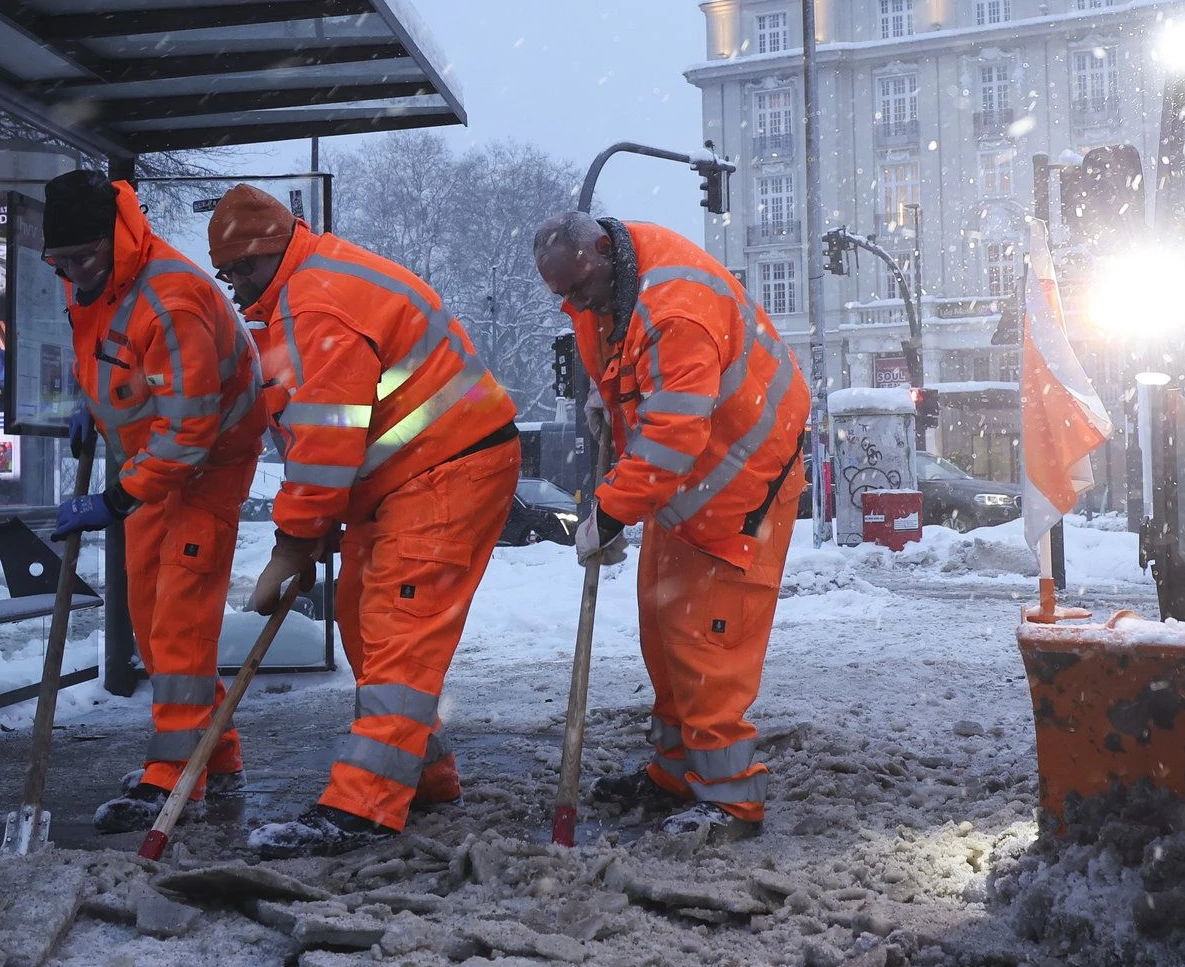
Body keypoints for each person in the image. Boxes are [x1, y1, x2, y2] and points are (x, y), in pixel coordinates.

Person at [206, 185, 523, 859]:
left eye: (239, 271)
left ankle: (363, 806)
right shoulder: (301, 294)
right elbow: (322, 433)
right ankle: (423, 776)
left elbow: (327, 439)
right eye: (224, 274)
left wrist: (292, 545)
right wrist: (315, 526)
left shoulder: (317, 303)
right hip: (405, 478)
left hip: (447, 470)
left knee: (398, 632)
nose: (233, 287)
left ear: (270, 253)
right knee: (364, 624)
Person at [530, 209, 811, 842]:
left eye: (577, 289)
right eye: (562, 295)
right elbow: (634, 373)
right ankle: (677, 772)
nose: (573, 303)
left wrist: (605, 513)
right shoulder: (611, 284)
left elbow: (673, 437)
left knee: (706, 645)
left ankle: (731, 802)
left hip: (740, 487)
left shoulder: (674, 309)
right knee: (664, 632)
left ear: (603, 251)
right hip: (689, 488)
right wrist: (608, 392)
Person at [38, 171, 267, 831]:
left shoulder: (171, 299)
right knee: (148, 615)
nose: (75, 272)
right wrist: (93, 404)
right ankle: (215, 758)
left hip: (208, 463)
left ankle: (172, 779)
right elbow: (110, 357)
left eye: (84, 256)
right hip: (153, 461)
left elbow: (191, 430)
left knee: (179, 618)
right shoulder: (94, 283)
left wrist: (114, 499)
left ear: (115, 237)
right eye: (61, 261)